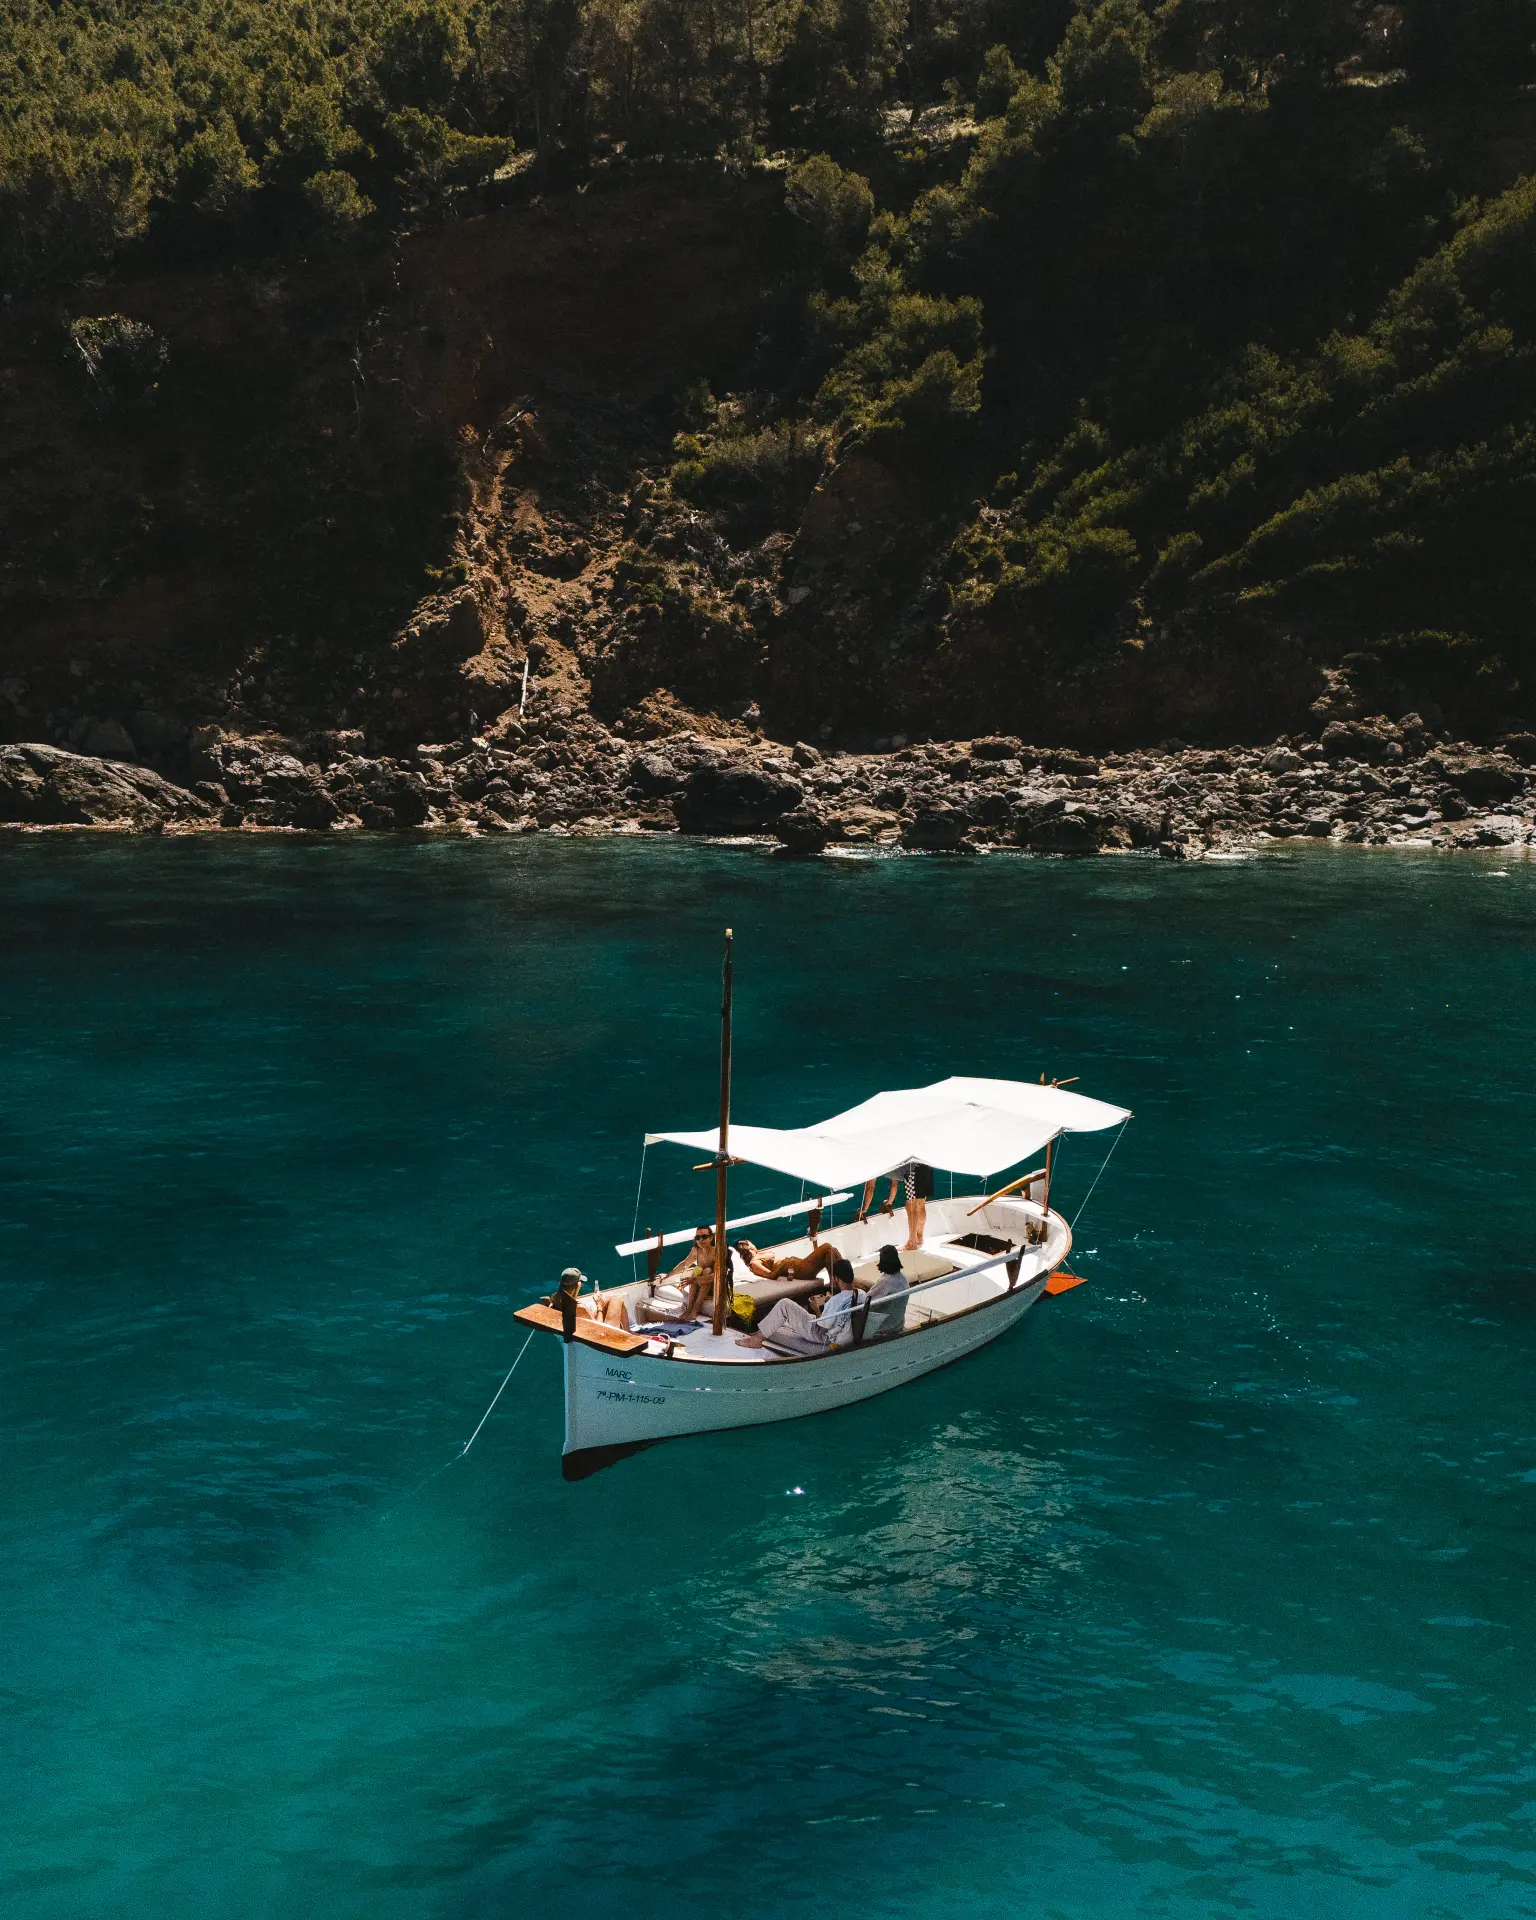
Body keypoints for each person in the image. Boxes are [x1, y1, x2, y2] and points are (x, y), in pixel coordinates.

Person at [736, 1257, 864, 1355]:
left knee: (784, 1304)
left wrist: (816, 1308)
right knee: (794, 1316)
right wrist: (829, 1303)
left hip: (824, 1336)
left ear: (836, 1279)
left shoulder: (836, 1301)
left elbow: (821, 1327)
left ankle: (757, 1339)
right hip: (844, 1332)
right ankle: (763, 1331)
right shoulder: (862, 1294)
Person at [545, 1265, 631, 1332]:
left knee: (609, 1299)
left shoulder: (555, 1301)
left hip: (584, 1331)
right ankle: (628, 1334)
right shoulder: (578, 1308)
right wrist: (599, 1305)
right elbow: (599, 1327)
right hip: (603, 1335)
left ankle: (628, 1332)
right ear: (577, 1285)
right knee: (617, 1298)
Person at [733, 1236, 840, 1283]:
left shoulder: (758, 1255)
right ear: (747, 1246)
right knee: (827, 1246)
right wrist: (783, 1266)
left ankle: (835, 1282)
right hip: (801, 1270)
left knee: (831, 1251)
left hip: (801, 1266)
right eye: (749, 1242)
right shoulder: (754, 1263)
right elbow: (771, 1275)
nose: (753, 1243)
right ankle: (838, 1281)